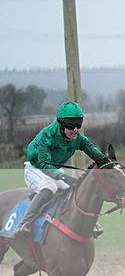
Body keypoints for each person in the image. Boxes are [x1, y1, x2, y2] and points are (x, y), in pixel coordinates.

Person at [11, 101, 107, 237]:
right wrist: (63, 176)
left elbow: (92, 150)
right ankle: (23, 224)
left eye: (78, 125)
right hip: (35, 168)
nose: (75, 129)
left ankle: (83, 226)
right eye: (71, 126)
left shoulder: (77, 138)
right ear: (61, 125)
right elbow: (43, 164)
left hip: (54, 169)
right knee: (49, 188)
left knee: (73, 190)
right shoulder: (47, 136)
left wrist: (107, 162)